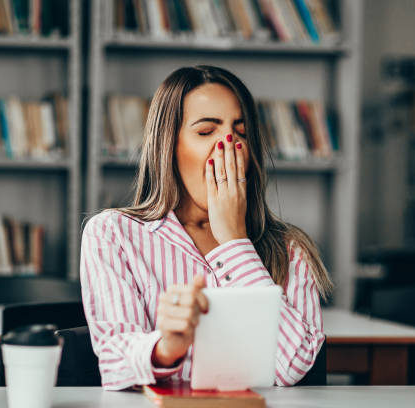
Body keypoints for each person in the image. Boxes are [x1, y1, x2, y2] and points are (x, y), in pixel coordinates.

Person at [80, 65, 332, 390]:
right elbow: (115, 361)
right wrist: (166, 346)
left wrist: (235, 243)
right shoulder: (113, 234)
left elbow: (293, 367)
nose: (228, 147)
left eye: (240, 133)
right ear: (168, 147)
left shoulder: (289, 249)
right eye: (205, 132)